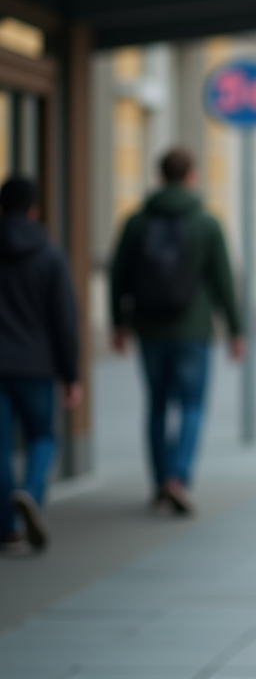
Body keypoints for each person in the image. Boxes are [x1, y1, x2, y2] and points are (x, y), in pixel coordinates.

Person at [109, 148, 242, 516]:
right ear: (191, 176)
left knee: (157, 403)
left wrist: (118, 324)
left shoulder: (136, 221)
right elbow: (223, 280)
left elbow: (118, 275)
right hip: (192, 329)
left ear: (160, 176)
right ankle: (177, 478)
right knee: (192, 404)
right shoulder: (207, 223)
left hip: (149, 327)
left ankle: (159, 482)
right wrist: (235, 330)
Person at [0, 177, 82, 553]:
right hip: (36, 366)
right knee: (43, 437)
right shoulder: (50, 256)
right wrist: (71, 375)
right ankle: (31, 493)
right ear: (34, 211)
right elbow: (65, 321)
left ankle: (7, 528)